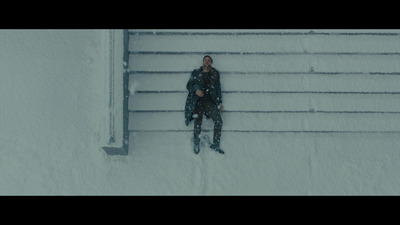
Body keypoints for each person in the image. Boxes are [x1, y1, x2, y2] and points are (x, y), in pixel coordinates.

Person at [185, 55, 224, 154]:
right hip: (197, 102)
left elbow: (218, 88)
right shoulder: (196, 73)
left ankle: (216, 144)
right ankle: (196, 143)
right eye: (205, 60)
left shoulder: (215, 74)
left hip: (209, 103)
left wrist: (220, 102)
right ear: (203, 62)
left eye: (209, 60)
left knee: (219, 121)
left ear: (211, 63)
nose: (207, 62)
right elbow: (189, 85)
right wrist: (196, 90)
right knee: (197, 123)